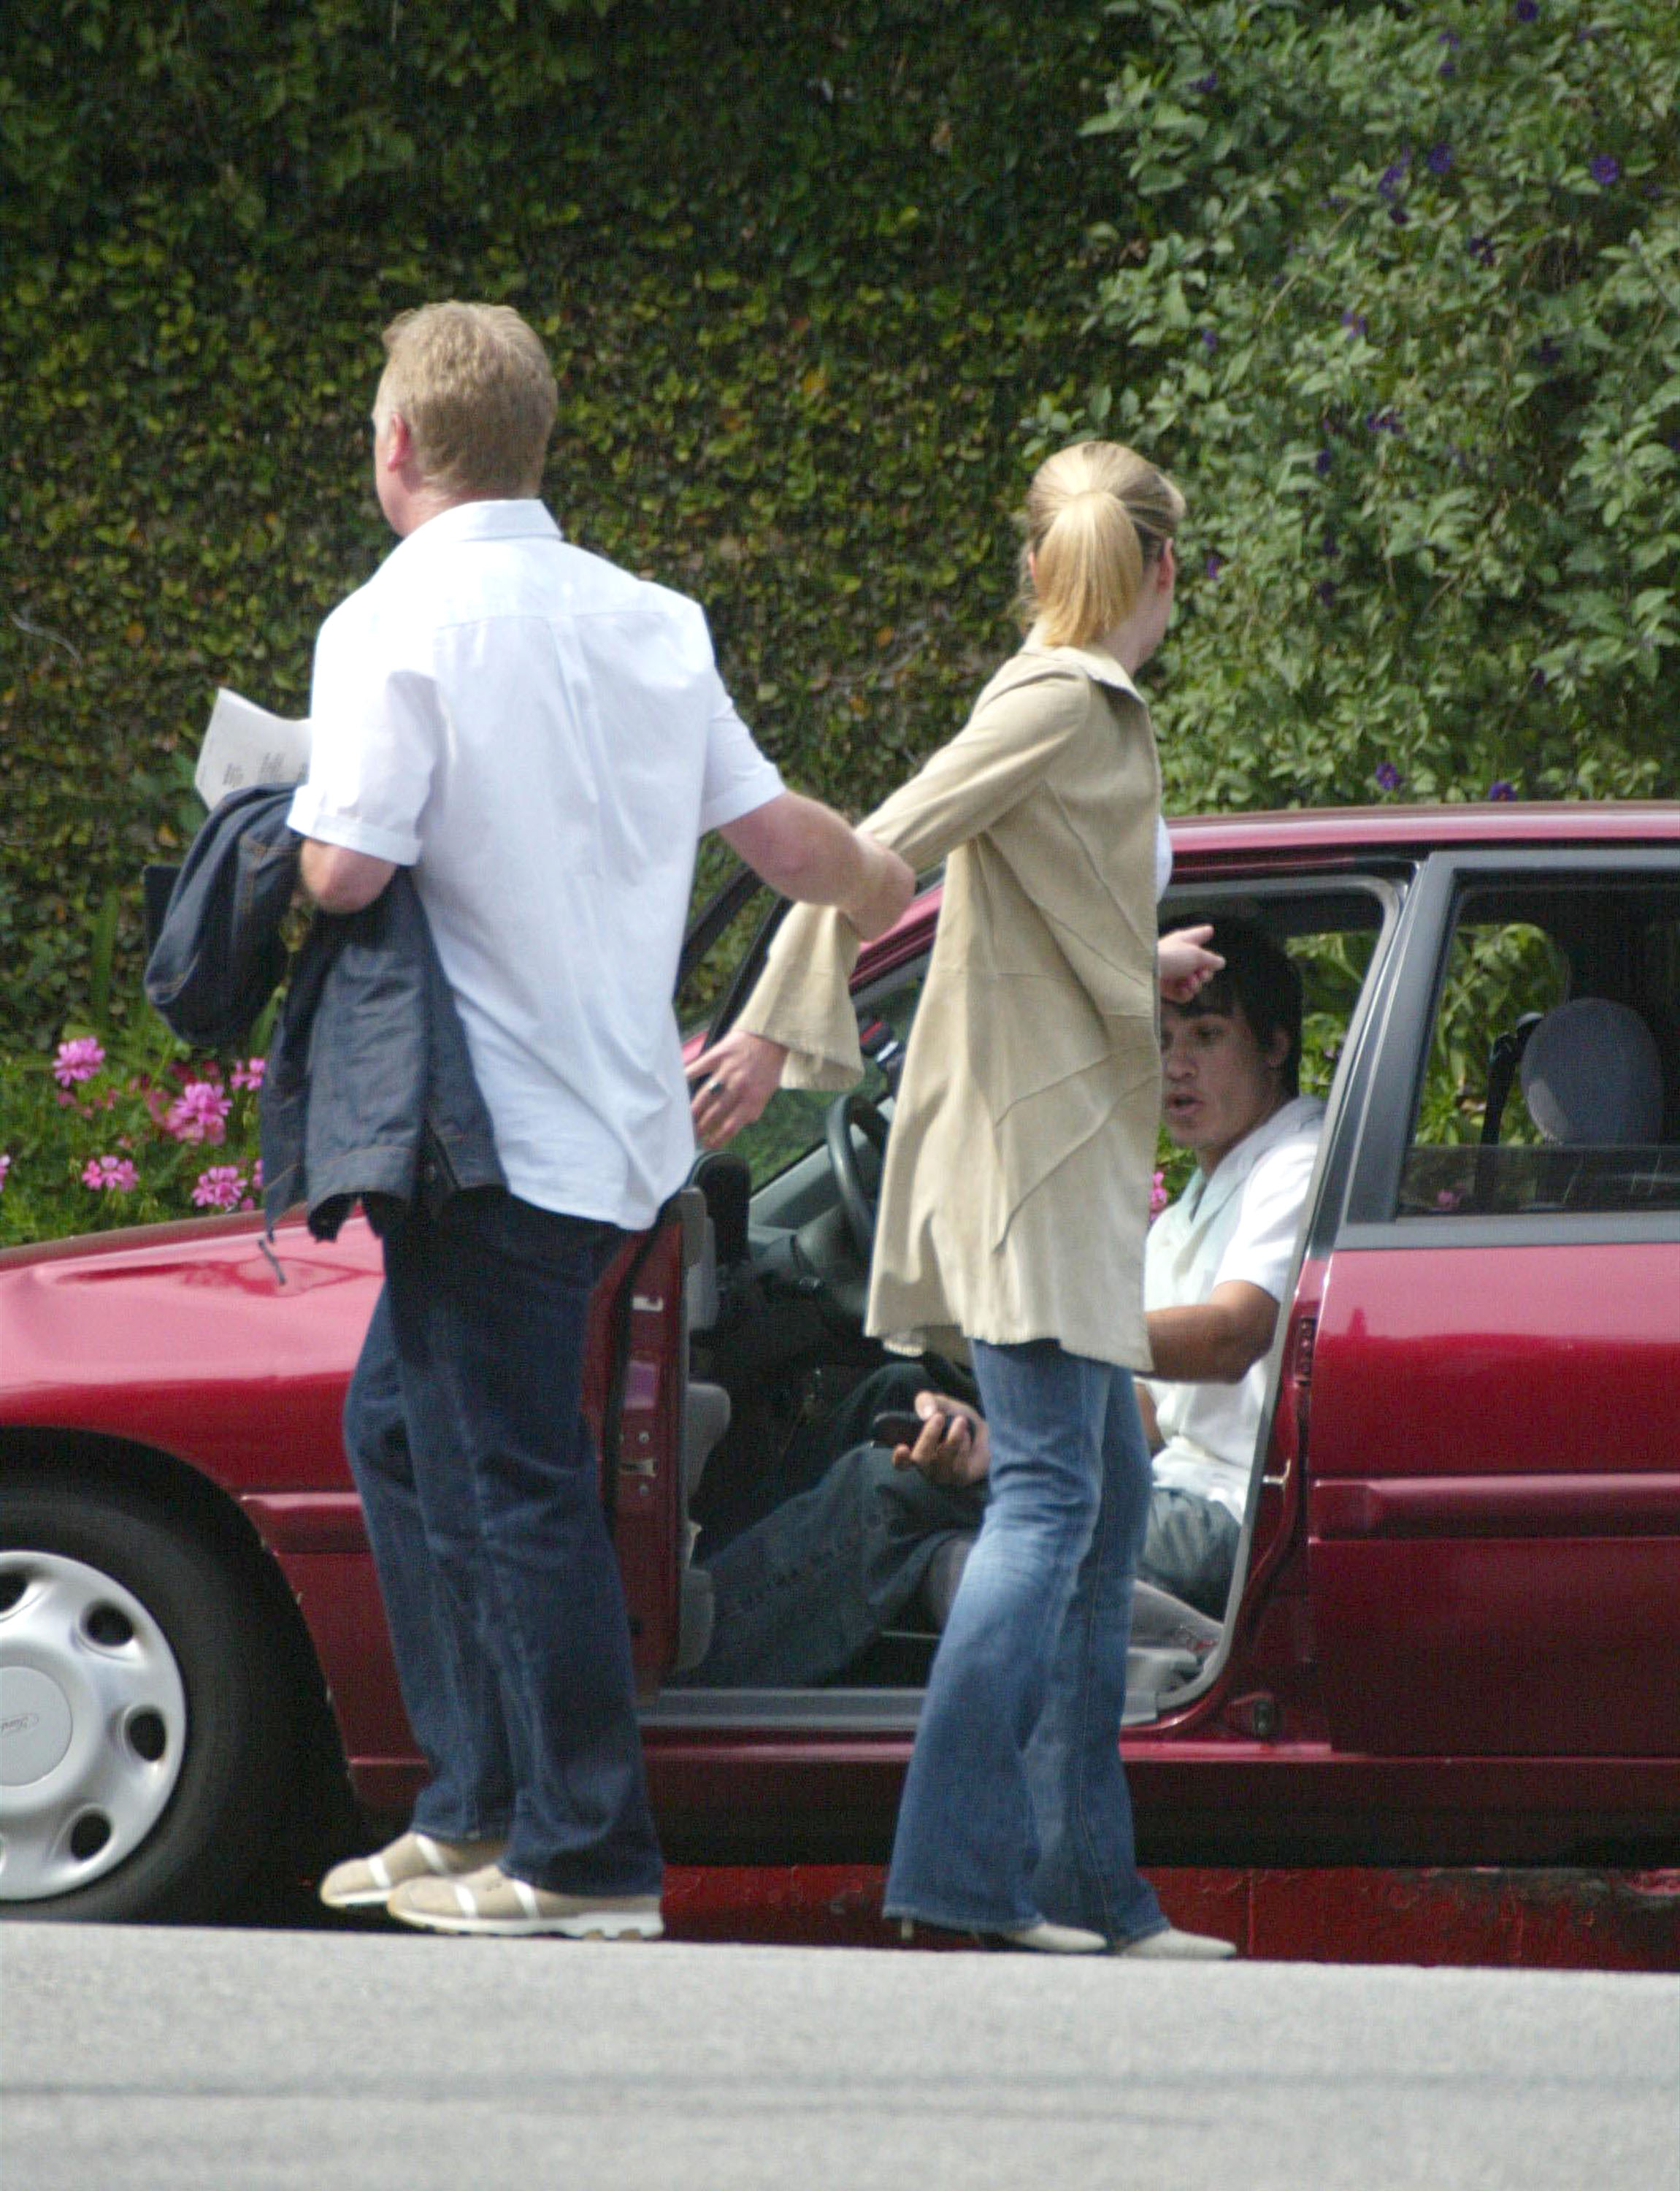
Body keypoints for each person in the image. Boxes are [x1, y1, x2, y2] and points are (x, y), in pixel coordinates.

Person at [300, 302, 913, 1938]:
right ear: (533, 441)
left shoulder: (387, 622)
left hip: (478, 1139)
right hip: (620, 1136)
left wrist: (273, 830)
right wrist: (883, 879)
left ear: (399, 447)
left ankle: (580, 1854)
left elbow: (346, 868)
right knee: (402, 1433)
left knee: (513, 1477)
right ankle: (473, 1806)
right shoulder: (653, 618)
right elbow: (783, 838)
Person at [689, 440, 1225, 1956]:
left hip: (1055, 1160)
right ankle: (961, 1877)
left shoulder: (1076, 707)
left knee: (1095, 1503)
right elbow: (885, 848)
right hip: (1028, 1169)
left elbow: (1037, 907)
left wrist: (1147, 969)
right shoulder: (1056, 700)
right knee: (1057, 1503)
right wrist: (770, 1030)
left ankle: (1085, 1892)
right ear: (1162, 571)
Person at [683, 918, 1322, 1683]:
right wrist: (1002, 1436)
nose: (1175, 1067)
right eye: (1160, 1040)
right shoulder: (1199, 1198)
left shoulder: (1294, 1157)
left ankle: (688, 1678)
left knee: (892, 1486)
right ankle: (694, 1603)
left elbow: (1230, 1337)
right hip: (1165, 1484)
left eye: (1208, 1036)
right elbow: (1143, 1415)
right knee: (894, 1398)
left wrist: (1038, 1338)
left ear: (1276, 1046)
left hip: (1220, 1518)